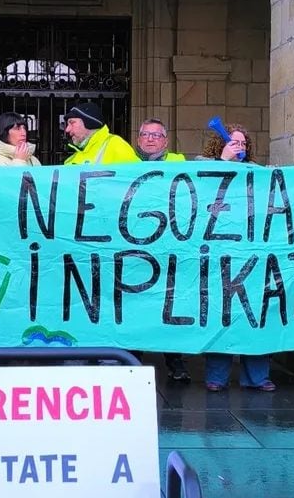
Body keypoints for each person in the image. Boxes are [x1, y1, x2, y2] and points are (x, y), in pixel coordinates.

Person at [197, 124, 275, 392]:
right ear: (220, 145)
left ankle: (257, 376)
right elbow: (204, 193)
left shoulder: (256, 172)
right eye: (233, 142)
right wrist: (224, 162)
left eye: (243, 143)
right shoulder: (203, 166)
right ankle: (217, 376)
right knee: (221, 314)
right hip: (219, 252)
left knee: (255, 313)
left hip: (251, 253)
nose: (239, 147)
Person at [133, 118, 190, 380]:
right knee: (135, 302)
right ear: (138, 139)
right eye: (145, 134)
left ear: (165, 141)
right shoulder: (124, 164)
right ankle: (133, 357)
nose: (150, 139)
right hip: (134, 247)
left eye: (156, 135)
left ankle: (174, 361)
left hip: (168, 246)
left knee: (168, 302)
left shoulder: (178, 163)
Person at [62, 103, 137, 165]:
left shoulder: (115, 144)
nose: (67, 129)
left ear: (89, 123)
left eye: (72, 123)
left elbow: (138, 176)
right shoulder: (71, 159)